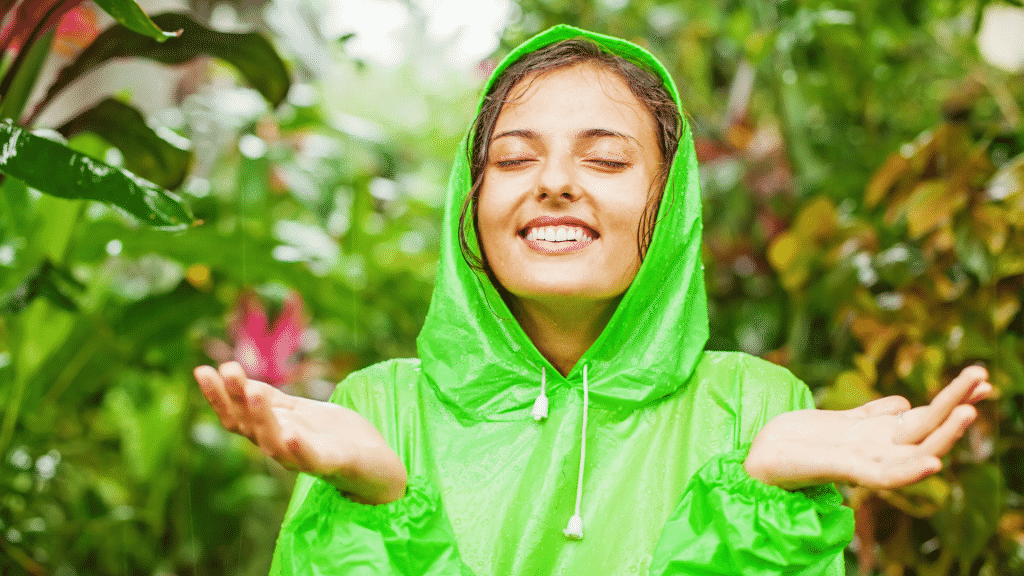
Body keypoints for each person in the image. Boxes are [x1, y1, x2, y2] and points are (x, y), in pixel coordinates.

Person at [193, 25, 992, 575]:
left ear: (671, 207)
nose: (554, 184)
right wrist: (380, 502)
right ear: (470, 198)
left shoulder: (755, 406)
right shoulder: (380, 410)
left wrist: (752, 494)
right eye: (513, 158)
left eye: (605, 161)